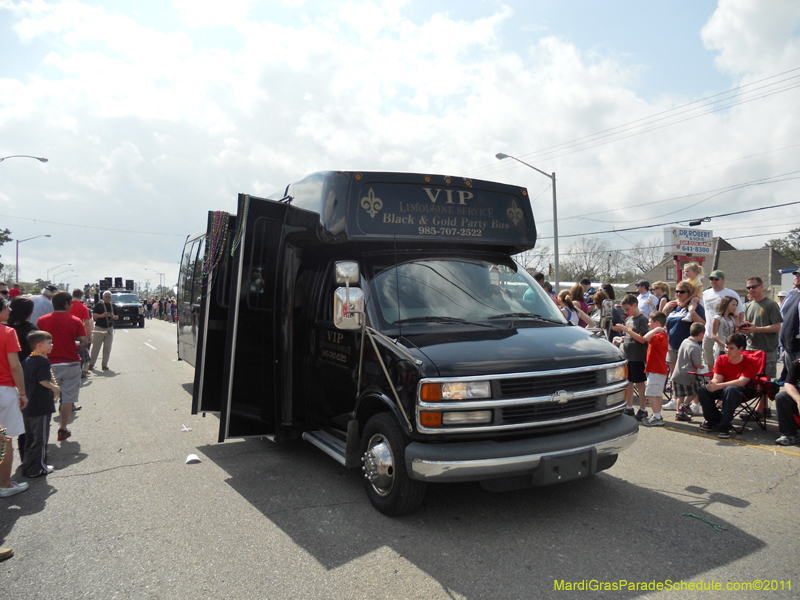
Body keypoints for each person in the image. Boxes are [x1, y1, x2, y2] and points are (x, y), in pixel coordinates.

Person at [36, 291, 86, 442]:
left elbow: (37, 342)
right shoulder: (76, 321)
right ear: (66, 304)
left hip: (49, 364)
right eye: (70, 303)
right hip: (71, 362)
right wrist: (76, 343)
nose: (72, 305)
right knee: (68, 399)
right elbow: (84, 343)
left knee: (48, 399)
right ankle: (63, 428)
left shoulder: (42, 320)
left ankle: (43, 430)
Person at [697, 333, 759, 439]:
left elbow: (742, 382)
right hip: (725, 387)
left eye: (731, 348)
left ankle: (724, 426)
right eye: (726, 347)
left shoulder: (750, 361)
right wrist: (712, 384)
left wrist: (719, 385)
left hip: (743, 390)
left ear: (740, 349)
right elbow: (718, 378)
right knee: (703, 390)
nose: (727, 350)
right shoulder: (721, 359)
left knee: (731, 390)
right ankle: (715, 421)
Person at [0, 296, 29, 498]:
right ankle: (5, 484)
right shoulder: (7, 332)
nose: (9, 311)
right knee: (5, 439)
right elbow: (15, 366)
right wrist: (23, 392)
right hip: (5, 389)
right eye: (6, 307)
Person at [664, 280, 706, 415]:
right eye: (676, 291)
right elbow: (665, 324)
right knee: (675, 376)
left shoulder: (695, 306)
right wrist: (664, 310)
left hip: (688, 346)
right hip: (673, 345)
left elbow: (702, 324)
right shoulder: (674, 307)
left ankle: (695, 403)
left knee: (691, 377)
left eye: (682, 292)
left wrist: (692, 311)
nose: (678, 294)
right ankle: (676, 400)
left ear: (688, 293)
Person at [21, 330, 59, 478]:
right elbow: (43, 381)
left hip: (29, 405)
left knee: (30, 438)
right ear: (39, 345)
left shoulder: (26, 360)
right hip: (40, 405)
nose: (52, 345)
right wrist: (55, 388)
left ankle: (28, 466)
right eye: (49, 343)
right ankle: (38, 467)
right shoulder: (43, 361)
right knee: (40, 438)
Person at [624, 311, 669, 427]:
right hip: (656, 369)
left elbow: (645, 337)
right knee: (657, 395)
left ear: (657, 323)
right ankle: (656, 415)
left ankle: (657, 416)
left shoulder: (659, 336)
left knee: (650, 394)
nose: (648, 324)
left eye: (650, 322)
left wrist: (656, 329)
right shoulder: (660, 336)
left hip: (656, 369)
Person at [612, 294, 649, 421]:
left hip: (637, 356)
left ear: (635, 305)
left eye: (628, 309)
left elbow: (642, 339)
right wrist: (621, 338)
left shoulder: (642, 319)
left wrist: (626, 331)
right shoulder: (629, 320)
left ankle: (643, 408)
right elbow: (629, 336)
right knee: (629, 383)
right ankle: (629, 406)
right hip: (628, 355)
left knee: (639, 383)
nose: (626, 312)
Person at [741, 276, 782, 379]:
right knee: (750, 383)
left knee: (766, 385)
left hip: (767, 351)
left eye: (754, 287)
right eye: (748, 287)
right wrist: (743, 329)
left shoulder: (771, 304)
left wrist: (757, 329)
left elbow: (777, 327)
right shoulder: (748, 306)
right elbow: (748, 325)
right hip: (751, 349)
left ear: (761, 287)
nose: (751, 290)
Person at [701, 270, 744, 367]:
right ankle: (712, 380)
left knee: (724, 362)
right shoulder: (705, 294)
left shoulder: (731, 293)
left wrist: (736, 329)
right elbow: (703, 311)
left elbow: (740, 311)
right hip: (708, 333)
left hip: (725, 334)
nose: (713, 281)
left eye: (716, 279)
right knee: (708, 361)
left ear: (723, 280)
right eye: (711, 279)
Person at [669, 323, 705, 421]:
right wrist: (704, 366)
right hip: (688, 375)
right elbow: (697, 364)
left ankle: (679, 413)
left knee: (680, 395)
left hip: (677, 373)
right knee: (697, 390)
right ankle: (685, 405)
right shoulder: (695, 347)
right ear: (701, 334)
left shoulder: (685, 341)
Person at [778, 269, 800, 379]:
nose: (796, 277)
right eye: (796, 275)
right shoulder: (792, 295)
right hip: (788, 348)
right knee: (793, 382)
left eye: (799, 275)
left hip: (798, 348)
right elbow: (784, 320)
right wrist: (783, 347)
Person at [90, 291, 119, 371]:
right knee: (96, 347)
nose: (107, 298)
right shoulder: (99, 305)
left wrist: (114, 316)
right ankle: (91, 364)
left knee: (107, 348)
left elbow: (117, 317)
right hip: (99, 328)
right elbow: (94, 315)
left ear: (111, 298)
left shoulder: (113, 306)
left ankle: (104, 364)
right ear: (103, 297)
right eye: (106, 297)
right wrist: (102, 315)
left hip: (109, 328)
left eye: (109, 297)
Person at [774, 357, 800, 445]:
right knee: (782, 397)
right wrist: (798, 400)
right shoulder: (797, 364)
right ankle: (789, 434)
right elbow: (788, 384)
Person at [70, 289, 93, 377]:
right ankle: (79, 371)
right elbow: (87, 322)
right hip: (79, 333)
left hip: (68, 332)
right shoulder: (83, 307)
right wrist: (89, 335)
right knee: (81, 353)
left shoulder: (67, 305)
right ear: (81, 296)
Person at [711, 297, 739, 363]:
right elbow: (713, 335)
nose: (735, 307)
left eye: (736, 305)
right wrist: (724, 345)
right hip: (720, 348)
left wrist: (737, 319)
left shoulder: (732, 318)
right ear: (726, 304)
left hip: (731, 349)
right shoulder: (718, 318)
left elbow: (736, 333)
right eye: (733, 305)